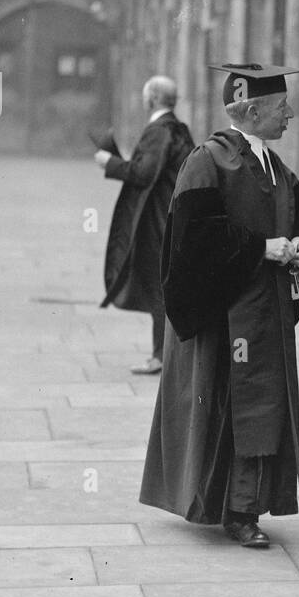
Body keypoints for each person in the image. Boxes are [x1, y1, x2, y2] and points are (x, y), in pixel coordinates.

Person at [139, 63, 299, 548]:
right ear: (254, 110)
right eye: (282, 107)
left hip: (267, 313)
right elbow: (193, 239)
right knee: (230, 410)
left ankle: (245, 506)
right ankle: (235, 511)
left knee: (260, 410)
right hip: (223, 314)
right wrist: (262, 248)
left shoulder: (275, 167)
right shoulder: (208, 161)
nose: (290, 114)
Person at [96, 75, 195, 373]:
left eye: (144, 96)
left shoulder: (157, 130)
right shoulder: (180, 129)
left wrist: (108, 162)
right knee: (163, 287)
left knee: (158, 287)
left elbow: (143, 172)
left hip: (156, 220)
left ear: (151, 98)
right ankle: (166, 356)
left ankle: (161, 358)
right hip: (173, 215)